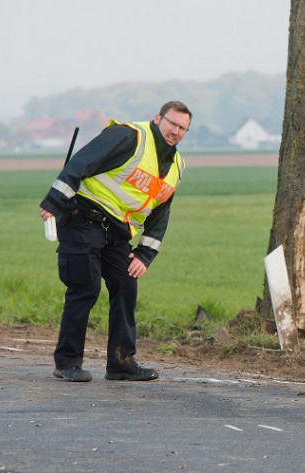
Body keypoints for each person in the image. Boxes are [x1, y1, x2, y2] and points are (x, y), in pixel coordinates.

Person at [39, 101, 192, 382]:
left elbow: (160, 212)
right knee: (85, 286)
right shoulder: (129, 136)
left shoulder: (176, 166)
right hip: (83, 218)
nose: (176, 131)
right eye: (172, 123)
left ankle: (121, 363)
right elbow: (82, 161)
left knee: (125, 284)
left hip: (117, 233)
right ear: (158, 118)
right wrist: (54, 201)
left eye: (183, 128)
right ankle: (68, 362)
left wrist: (145, 253)